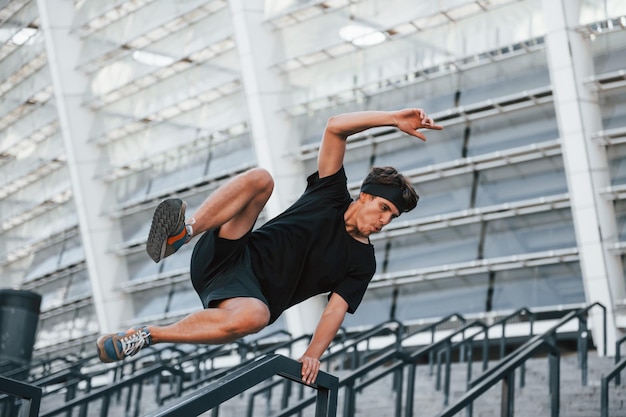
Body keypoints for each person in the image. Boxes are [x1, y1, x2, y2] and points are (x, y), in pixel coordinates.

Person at [96, 108, 443, 384]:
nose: (384, 220)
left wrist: (313, 353)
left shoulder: (362, 262)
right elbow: (335, 127)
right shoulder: (330, 193)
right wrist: (392, 118)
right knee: (262, 179)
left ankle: (145, 336)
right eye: (383, 208)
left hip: (246, 296)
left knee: (256, 317)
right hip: (230, 251)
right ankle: (183, 233)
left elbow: (334, 311)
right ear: (365, 196)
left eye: (392, 216)